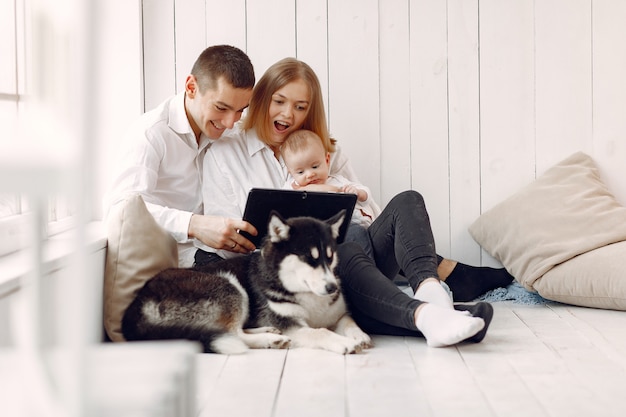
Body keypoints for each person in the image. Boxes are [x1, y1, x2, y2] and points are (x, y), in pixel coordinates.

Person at [198, 57, 514, 347]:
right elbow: (230, 242)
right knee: (341, 248)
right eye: (279, 102)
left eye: (300, 107)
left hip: (357, 262)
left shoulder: (323, 152)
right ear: (261, 99)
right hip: (306, 278)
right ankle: (428, 317)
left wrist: (340, 195)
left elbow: (371, 215)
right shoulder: (226, 152)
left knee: (407, 201)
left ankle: (431, 292)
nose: (287, 115)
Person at [103, 45, 258, 267]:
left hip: (220, 260)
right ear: (191, 87)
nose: (230, 122)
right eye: (221, 107)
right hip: (169, 268)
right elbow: (119, 211)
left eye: (240, 110)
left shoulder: (231, 132)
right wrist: (194, 225)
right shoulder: (151, 133)